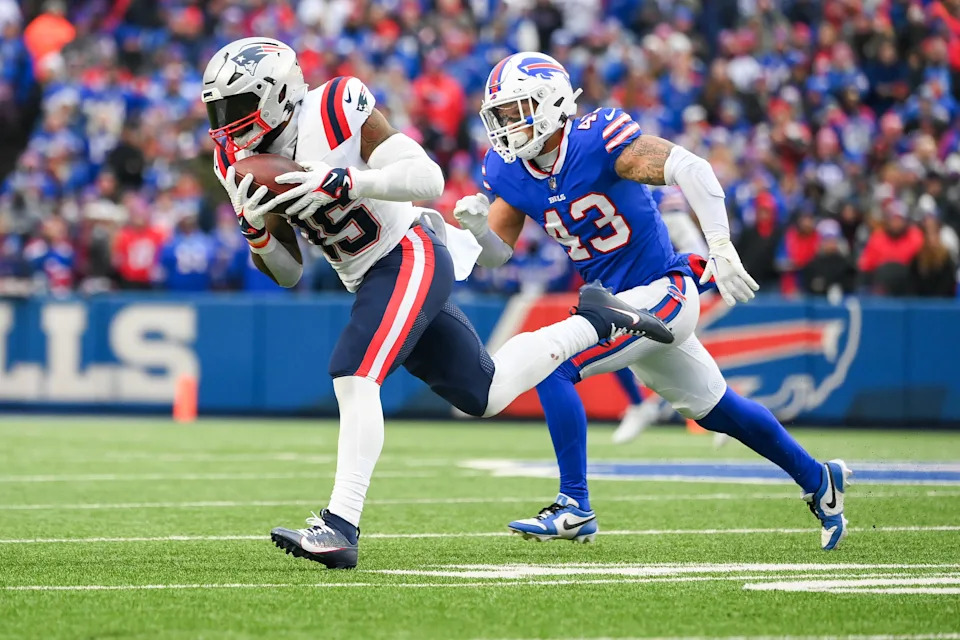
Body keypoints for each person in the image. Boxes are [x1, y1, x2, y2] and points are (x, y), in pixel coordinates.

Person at [201, 38, 669, 570]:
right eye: (218, 110)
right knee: (484, 393)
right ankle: (594, 321)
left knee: (354, 373)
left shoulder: (334, 107)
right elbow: (288, 274)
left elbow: (428, 177)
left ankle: (340, 526)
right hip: (366, 277)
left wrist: (345, 181)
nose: (226, 123)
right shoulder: (232, 158)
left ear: (278, 94)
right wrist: (256, 232)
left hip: (408, 251)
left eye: (236, 106)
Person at [454, 52, 851, 551]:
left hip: (664, 291)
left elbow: (690, 166)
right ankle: (820, 479)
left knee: (552, 363)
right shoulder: (509, 170)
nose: (509, 125)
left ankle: (575, 504)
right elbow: (498, 256)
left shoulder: (597, 139)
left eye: (519, 110)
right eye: (503, 115)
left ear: (552, 102)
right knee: (718, 409)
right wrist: (478, 231)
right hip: (619, 304)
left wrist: (721, 246)